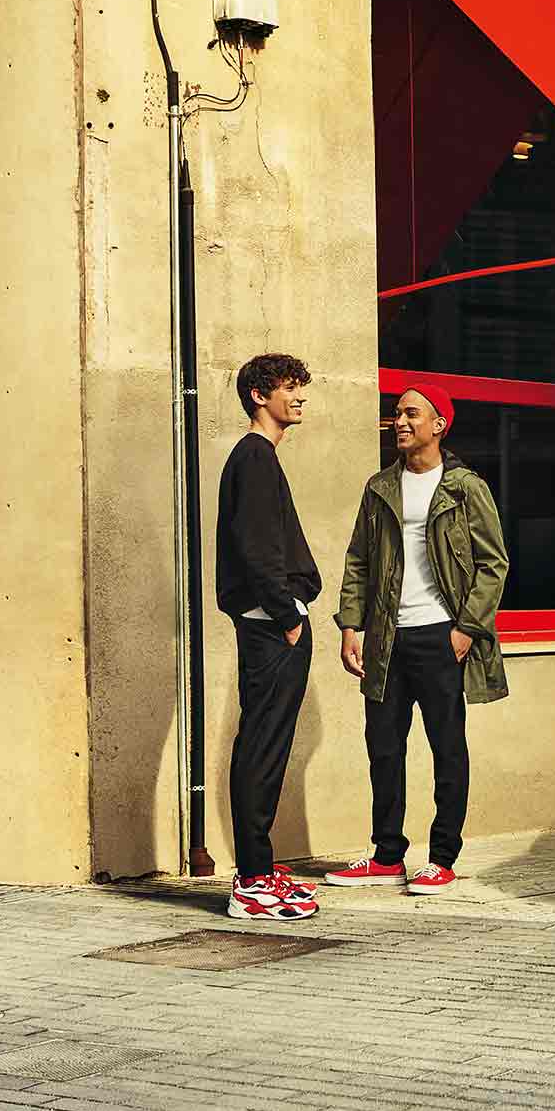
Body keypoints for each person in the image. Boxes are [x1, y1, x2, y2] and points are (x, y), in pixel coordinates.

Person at [325, 383, 508, 896]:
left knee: (447, 749)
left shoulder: (465, 487)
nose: (399, 422)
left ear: (438, 425)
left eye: (410, 413)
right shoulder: (381, 486)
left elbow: (494, 564)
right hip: (387, 637)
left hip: (441, 636)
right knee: (383, 747)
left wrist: (466, 628)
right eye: (396, 414)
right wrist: (350, 626)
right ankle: (387, 855)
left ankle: (442, 856)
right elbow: (358, 560)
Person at [217, 352, 322, 921]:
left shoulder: (259, 458)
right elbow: (258, 552)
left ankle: (260, 867)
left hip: (270, 622)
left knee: (267, 746)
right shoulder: (254, 458)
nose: (299, 397)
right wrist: (287, 617)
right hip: (270, 627)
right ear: (260, 395)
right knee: (262, 747)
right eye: (289, 388)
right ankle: (252, 882)